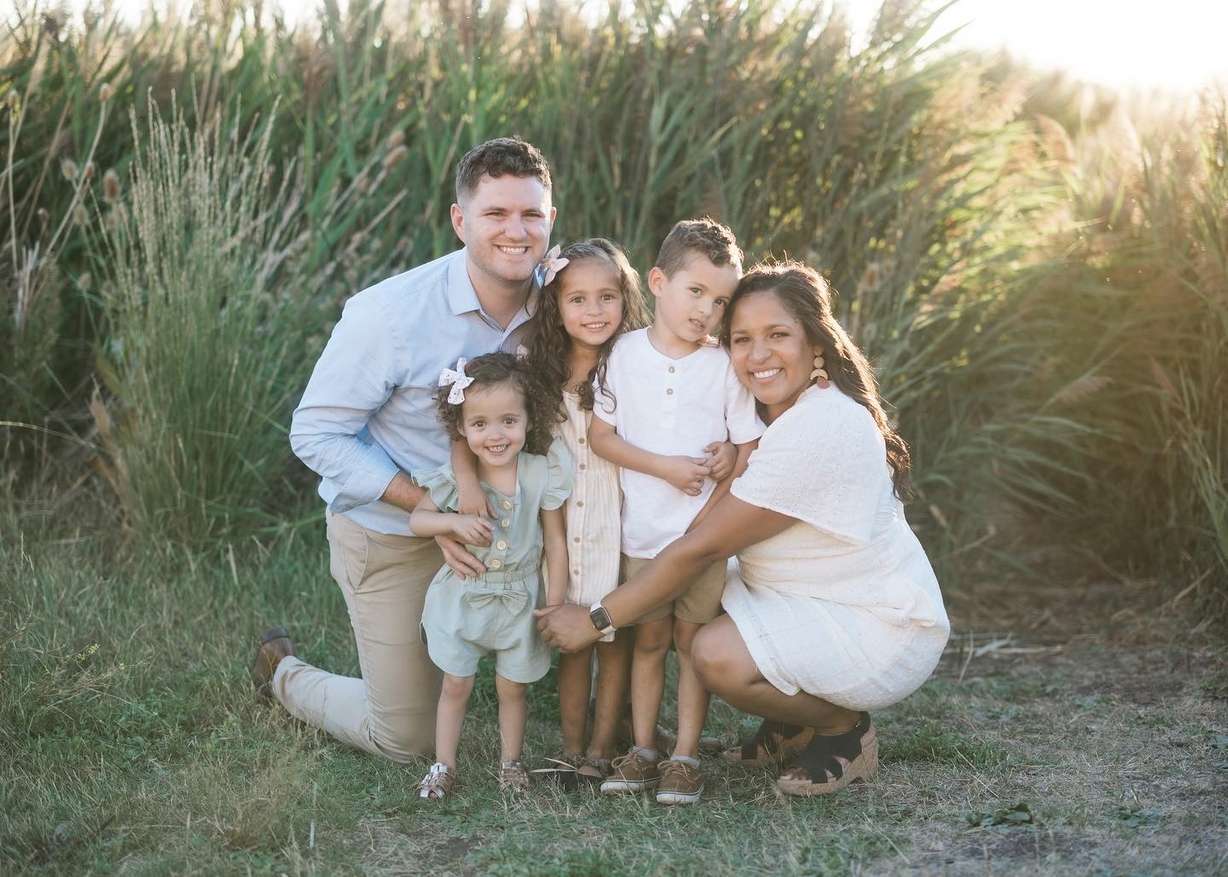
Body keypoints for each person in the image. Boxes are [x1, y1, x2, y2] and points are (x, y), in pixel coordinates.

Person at [537, 260, 951, 797]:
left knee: (713, 652)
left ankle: (842, 727)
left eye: (777, 335)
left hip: (875, 625)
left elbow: (701, 548)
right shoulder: (771, 409)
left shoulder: (821, 426)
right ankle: (790, 723)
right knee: (684, 609)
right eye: (742, 339)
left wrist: (594, 620)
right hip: (800, 598)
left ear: (815, 342)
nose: (758, 355)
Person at [249, 138, 556, 764]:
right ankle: (282, 674)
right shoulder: (390, 314)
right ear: (460, 220)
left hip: (513, 530)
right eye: (496, 214)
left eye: (532, 214)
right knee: (406, 738)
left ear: (551, 219)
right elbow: (316, 433)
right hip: (392, 535)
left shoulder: (563, 302)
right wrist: (432, 511)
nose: (516, 231)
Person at [587, 219, 764, 805]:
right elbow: (601, 437)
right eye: (696, 292)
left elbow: (746, 446)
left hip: (703, 538)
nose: (707, 311)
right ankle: (642, 749)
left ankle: (684, 757)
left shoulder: (723, 365)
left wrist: (719, 482)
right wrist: (664, 467)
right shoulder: (622, 354)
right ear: (659, 282)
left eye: (720, 302)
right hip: (642, 535)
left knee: (690, 645)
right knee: (647, 642)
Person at [409, 353, 572, 799]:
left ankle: (510, 763)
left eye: (508, 421)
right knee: (456, 682)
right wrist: (452, 522)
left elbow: (555, 543)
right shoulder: (456, 477)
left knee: (512, 687)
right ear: (462, 428)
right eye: (479, 424)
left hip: (520, 598)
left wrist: (556, 604)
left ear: (528, 419)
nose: (495, 435)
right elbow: (418, 520)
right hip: (463, 596)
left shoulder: (540, 473)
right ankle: (443, 765)